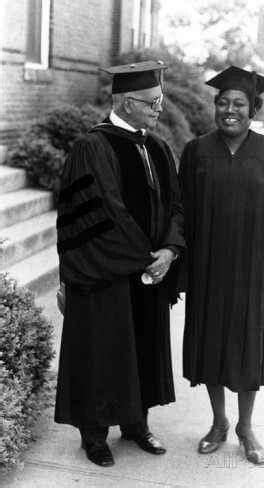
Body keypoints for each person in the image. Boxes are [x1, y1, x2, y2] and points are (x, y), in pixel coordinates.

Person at [55, 60, 185, 467]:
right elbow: (103, 212)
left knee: (142, 348)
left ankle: (136, 423)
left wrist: (170, 250)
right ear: (127, 102)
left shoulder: (158, 147)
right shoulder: (92, 146)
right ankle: (94, 434)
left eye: (160, 101)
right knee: (101, 349)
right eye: (152, 102)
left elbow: (177, 207)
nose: (159, 109)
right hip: (105, 273)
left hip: (148, 271)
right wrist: (146, 259)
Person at [179, 66, 264, 465]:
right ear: (216, 107)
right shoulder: (196, 151)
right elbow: (181, 212)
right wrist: (178, 265)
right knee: (210, 345)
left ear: (253, 109)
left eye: (239, 104)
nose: (230, 110)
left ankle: (246, 427)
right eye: (223, 103)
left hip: (252, 270)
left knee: (247, 349)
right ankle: (218, 422)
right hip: (208, 266)